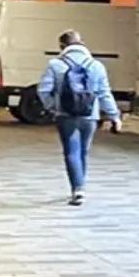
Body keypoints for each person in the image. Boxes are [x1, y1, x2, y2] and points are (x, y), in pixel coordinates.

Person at [37, 29, 121, 206]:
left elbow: (43, 90)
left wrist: (53, 107)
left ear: (62, 46)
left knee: (71, 151)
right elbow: (104, 93)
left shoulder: (55, 65)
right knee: (83, 151)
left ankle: (77, 189)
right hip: (89, 116)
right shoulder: (95, 65)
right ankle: (81, 186)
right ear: (81, 43)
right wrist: (114, 116)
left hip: (65, 115)